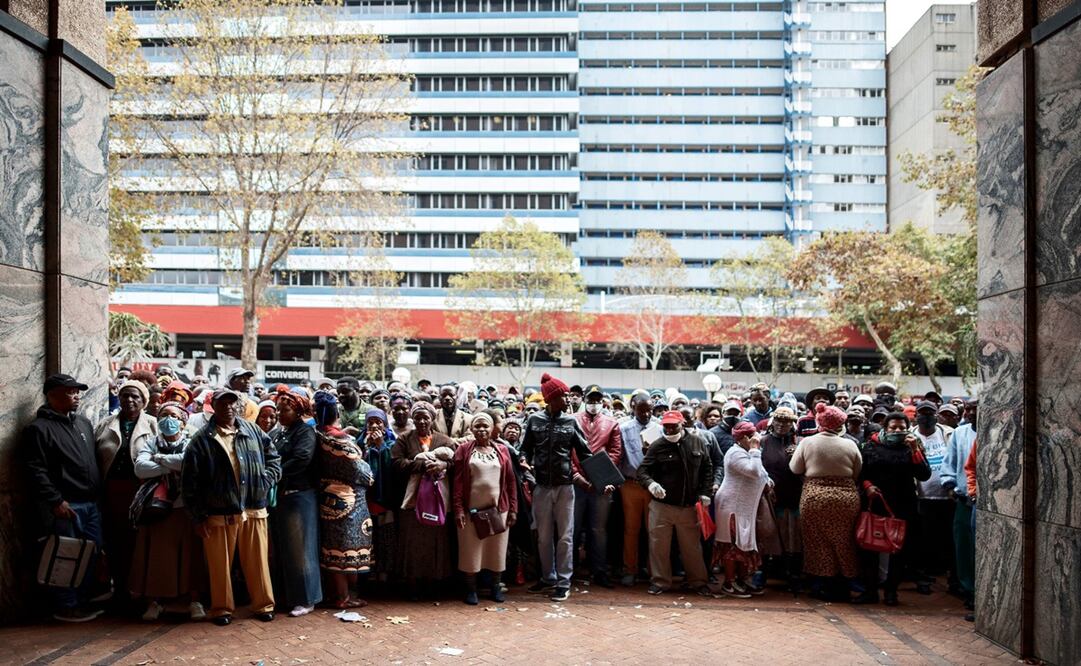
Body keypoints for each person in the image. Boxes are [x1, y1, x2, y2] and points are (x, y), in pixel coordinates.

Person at [181, 387, 281, 626]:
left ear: (238, 405)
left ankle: (263, 605)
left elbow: (274, 457)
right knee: (219, 565)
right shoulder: (202, 440)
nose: (227, 407)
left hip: (254, 507)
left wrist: (265, 480)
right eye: (222, 403)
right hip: (219, 511)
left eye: (232, 403)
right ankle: (222, 609)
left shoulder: (253, 430)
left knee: (258, 561)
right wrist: (197, 517)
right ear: (212, 406)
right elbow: (189, 483)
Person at [21, 374, 106, 622]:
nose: (77, 395)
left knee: (91, 551)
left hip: (91, 504)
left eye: (78, 391)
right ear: (52, 395)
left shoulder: (83, 424)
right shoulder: (38, 429)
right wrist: (55, 501)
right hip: (67, 505)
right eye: (70, 392)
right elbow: (36, 470)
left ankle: (81, 599)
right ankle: (66, 606)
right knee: (66, 556)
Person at [518, 373, 594, 602]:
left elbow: (585, 453)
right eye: (564, 396)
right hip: (541, 486)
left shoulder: (571, 422)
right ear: (552, 398)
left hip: (565, 487)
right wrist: (523, 460)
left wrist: (603, 478)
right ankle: (548, 578)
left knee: (565, 537)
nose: (568, 400)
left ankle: (563, 581)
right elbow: (525, 449)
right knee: (543, 537)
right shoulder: (534, 421)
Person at [130, 401, 205, 621]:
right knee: (157, 558)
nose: (168, 420)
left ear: (183, 421)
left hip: (186, 508)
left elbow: (191, 463)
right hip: (157, 510)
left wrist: (160, 460)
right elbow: (140, 468)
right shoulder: (150, 442)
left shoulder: (193, 442)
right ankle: (155, 602)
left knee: (193, 557)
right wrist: (172, 464)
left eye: (173, 415)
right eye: (163, 415)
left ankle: (194, 601)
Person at [855, 413, 932, 606]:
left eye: (901, 428)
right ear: (885, 428)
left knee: (898, 550)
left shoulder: (912, 448)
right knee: (869, 546)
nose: (897, 431)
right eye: (893, 427)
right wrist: (867, 486)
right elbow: (859, 472)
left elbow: (924, 474)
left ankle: (891, 591)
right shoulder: (869, 446)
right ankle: (870, 591)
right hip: (875, 503)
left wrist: (915, 449)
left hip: (903, 505)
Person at [789, 403, 863, 601]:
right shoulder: (850, 444)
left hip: (815, 496)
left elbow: (795, 468)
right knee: (844, 540)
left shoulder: (807, 442)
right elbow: (857, 471)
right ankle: (848, 580)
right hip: (846, 497)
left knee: (816, 540)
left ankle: (821, 582)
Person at [636, 410, 714, 597]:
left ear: (683, 424)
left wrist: (705, 492)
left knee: (692, 548)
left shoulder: (698, 442)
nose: (670, 429)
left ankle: (698, 581)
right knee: (658, 546)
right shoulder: (657, 445)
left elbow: (707, 469)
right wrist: (651, 484)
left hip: (688, 506)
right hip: (662, 506)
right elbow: (642, 471)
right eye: (666, 426)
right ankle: (660, 582)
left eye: (674, 426)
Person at [96, 379, 158, 610]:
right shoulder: (105, 424)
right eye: (125, 396)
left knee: (138, 541)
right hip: (112, 491)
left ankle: (139, 592)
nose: (130, 400)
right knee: (114, 540)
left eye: (136, 397)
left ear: (144, 401)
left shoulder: (153, 424)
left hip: (140, 492)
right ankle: (119, 590)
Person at [313, 391, 374, 609]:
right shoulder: (341, 443)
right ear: (336, 413)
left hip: (327, 498)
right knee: (346, 549)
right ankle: (344, 597)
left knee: (331, 547)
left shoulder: (317, 435)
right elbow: (364, 474)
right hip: (351, 502)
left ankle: (336, 594)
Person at [392, 401, 457, 597]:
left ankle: (435, 582)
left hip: (437, 502)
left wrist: (443, 466)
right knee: (412, 542)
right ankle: (413, 583)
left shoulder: (444, 440)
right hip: (412, 502)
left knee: (436, 541)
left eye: (425, 417)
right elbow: (396, 462)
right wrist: (420, 465)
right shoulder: (404, 439)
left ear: (432, 419)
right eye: (417, 417)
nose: (421, 421)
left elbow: (456, 462)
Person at [452, 412, 519, 605]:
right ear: (471, 429)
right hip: (470, 512)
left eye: (485, 426)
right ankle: (471, 589)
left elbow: (510, 482)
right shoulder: (464, 450)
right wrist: (457, 510)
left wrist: (513, 509)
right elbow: (458, 483)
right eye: (477, 426)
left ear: (492, 429)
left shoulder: (502, 450)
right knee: (470, 552)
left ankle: (495, 587)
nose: (481, 430)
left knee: (496, 551)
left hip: (499, 511)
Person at [268, 390, 322, 617]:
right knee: (285, 550)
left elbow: (301, 459)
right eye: (278, 409)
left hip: (299, 496)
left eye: (285, 410)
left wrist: (274, 472)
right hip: (282, 497)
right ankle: (288, 597)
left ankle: (306, 599)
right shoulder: (281, 432)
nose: (280, 413)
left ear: (298, 410)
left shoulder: (305, 432)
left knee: (301, 550)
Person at [572, 385, 622, 588]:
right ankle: (571, 571)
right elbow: (568, 451)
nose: (594, 403)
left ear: (603, 401)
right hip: (577, 484)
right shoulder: (573, 420)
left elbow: (616, 452)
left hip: (602, 485)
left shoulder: (612, 423)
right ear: (585, 399)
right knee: (572, 530)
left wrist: (602, 477)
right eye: (590, 399)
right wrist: (577, 476)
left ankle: (599, 571)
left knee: (598, 530)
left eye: (597, 400)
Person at [714, 421, 771, 598]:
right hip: (732, 507)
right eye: (753, 435)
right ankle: (729, 583)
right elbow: (753, 471)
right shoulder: (735, 453)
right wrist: (755, 449)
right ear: (744, 438)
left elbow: (761, 472)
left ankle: (741, 580)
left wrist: (768, 480)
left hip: (744, 508)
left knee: (743, 544)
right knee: (732, 545)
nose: (757, 438)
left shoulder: (747, 452)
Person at [911, 400, 955, 595]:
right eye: (922, 413)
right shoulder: (910, 436)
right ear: (916, 415)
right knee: (921, 540)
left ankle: (948, 578)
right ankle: (922, 577)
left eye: (930, 413)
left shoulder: (948, 434)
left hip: (946, 497)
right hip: (920, 496)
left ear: (936, 415)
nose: (926, 416)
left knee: (946, 539)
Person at [758, 406, 803, 590]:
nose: (782, 425)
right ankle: (762, 574)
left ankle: (792, 576)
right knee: (767, 535)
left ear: (793, 424)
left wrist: (798, 454)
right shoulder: (762, 442)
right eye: (778, 420)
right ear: (772, 422)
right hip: (768, 497)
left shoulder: (799, 443)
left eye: (786, 422)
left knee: (793, 539)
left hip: (793, 497)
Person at [941, 399, 977, 611]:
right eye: (968, 409)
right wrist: (950, 485)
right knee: (963, 547)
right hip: (964, 499)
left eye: (976, 409)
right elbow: (950, 461)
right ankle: (969, 590)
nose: (971, 413)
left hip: (985, 503)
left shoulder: (996, 432)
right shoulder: (959, 433)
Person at [618, 392, 657, 586]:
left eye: (650, 410)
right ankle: (629, 570)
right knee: (631, 530)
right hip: (630, 485)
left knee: (654, 531)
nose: (647, 414)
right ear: (633, 408)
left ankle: (654, 572)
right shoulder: (623, 429)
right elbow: (619, 456)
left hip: (652, 486)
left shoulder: (659, 428)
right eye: (642, 410)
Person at [364, 407, 405, 586]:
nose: (374, 426)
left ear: (384, 423)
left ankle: (385, 573)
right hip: (367, 499)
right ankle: (369, 573)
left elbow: (393, 467)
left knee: (386, 536)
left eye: (378, 422)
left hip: (387, 498)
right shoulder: (359, 441)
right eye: (370, 423)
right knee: (369, 537)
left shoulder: (393, 442)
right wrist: (368, 448)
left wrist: (380, 446)